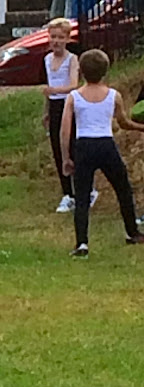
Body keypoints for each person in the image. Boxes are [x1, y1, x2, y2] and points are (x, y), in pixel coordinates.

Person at [61, 49, 144, 257]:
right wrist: (140, 127)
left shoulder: (73, 96)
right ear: (105, 71)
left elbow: (65, 130)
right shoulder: (113, 96)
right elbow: (123, 123)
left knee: (82, 196)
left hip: (84, 146)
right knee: (123, 188)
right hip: (106, 145)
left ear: (81, 71)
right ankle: (132, 232)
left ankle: (82, 243)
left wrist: (66, 158)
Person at [42, 17, 98, 213]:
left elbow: (74, 84)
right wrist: (47, 110)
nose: (55, 41)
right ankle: (68, 193)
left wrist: (54, 90)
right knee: (58, 148)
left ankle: (87, 189)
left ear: (67, 39)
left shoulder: (72, 59)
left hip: (70, 104)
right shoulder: (47, 60)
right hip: (55, 105)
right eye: (52, 37)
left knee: (74, 147)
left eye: (60, 37)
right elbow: (49, 88)